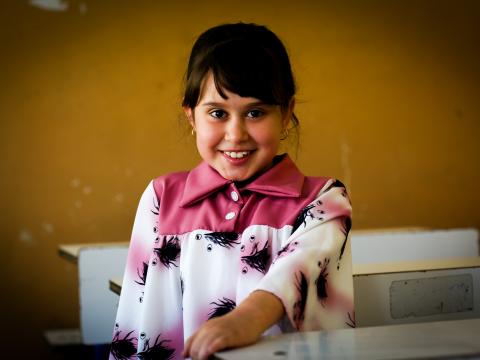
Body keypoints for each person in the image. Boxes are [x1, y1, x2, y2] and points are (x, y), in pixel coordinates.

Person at [109, 22, 354, 360]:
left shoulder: (323, 200)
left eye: (255, 112)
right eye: (217, 113)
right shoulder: (161, 198)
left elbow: (297, 271)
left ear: (286, 115)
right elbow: (136, 318)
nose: (236, 134)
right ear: (191, 116)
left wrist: (245, 321)